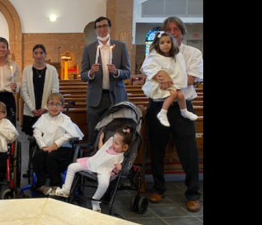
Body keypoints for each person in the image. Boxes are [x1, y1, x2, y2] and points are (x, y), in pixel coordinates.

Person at [145, 16, 203, 212]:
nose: (173, 31)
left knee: (188, 150)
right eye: (169, 29)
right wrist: (161, 75)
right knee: (157, 148)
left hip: (181, 106)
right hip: (158, 104)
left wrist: (165, 77)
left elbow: (190, 79)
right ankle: (159, 188)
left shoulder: (192, 53)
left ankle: (193, 193)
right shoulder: (155, 52)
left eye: (176, 29)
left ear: (182, 32)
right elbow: (150, 71)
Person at [51, 125, 134, 213]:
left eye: (116, 143)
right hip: (93, 163)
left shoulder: (119, 156)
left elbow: (118, 168)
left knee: (104, 183)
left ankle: (95, 200)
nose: (113, 144)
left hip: (104, 170)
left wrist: (118, 167)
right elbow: (101, 149)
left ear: (124, 147)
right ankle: (66, 190)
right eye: (113, 141)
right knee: (72, 167)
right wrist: (101, 139)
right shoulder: (110, 145)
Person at [80, 16, 131, 146]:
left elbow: (127, 72)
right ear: (95, 30)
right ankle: (93, 159)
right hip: (96, 98)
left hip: (116, 97)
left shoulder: (120, 46)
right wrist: (90, 73)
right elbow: (83, 75)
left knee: (116, 133)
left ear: (109, 28)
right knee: (94, 132)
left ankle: (113, 161)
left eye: (104, 26)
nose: (102, 29)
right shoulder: (89, 49)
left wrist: (116, 72)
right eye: (99, 27)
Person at [31, 93, 84, 195]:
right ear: (47, 105)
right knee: (38, 156)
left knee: (52, 158)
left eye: (58, 104)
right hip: (46, 147)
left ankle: (56, 184)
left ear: (62, 107)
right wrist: (43, 146)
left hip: (62, 149)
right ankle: (40, 185)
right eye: (51, 104)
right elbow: (36, 133)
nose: (54, 107)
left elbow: (70, 134)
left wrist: (56, 144)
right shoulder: (43, 117)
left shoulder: (65, 119)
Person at [141, 31, 197, 127]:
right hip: (161, 86)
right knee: (174, 93)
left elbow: (180, 70)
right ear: (157, 44)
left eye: (168, 42)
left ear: (172, 43)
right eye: (162, 43)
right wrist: (161, 74)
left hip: (173, 83)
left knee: (181, 95)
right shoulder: (154, 56)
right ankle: (163, 113)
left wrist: (177, 82)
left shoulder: (176, 56)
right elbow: (148, 68)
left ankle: (184, 111)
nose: (166, 45)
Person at [20, 44, 60, 135]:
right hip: (30, 111)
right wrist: (32, 108)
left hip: (47, 110)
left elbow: (55, 91)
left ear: (45, 54)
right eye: (36, 53)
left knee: (46, 137)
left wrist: (45, 108)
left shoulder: (52, 70)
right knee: (32, 138)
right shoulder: (27, 70)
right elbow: (23, 91)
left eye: (41, 53)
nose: (39, 56)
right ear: (32, 55)